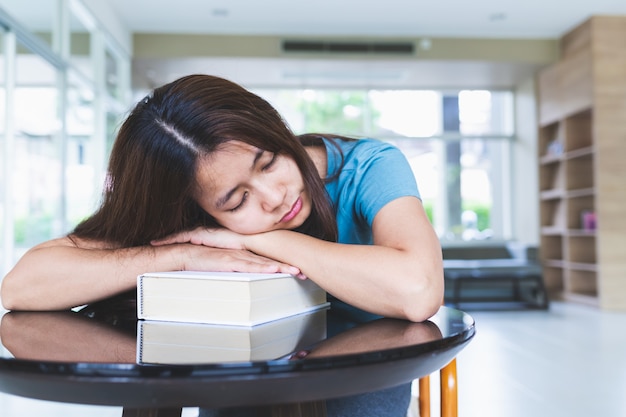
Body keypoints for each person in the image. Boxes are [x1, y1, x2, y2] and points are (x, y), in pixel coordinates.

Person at [0, 74, 443, 416]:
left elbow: (418, 291)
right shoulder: (190, 218)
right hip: (241, 375)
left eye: (269, 163)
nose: (275, 197)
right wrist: (182, 254)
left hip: (362, 374)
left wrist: (264, 238)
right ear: (198, 208)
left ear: (277, 131)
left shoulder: (368, 166)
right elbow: (22, 287)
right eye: (237, 200)